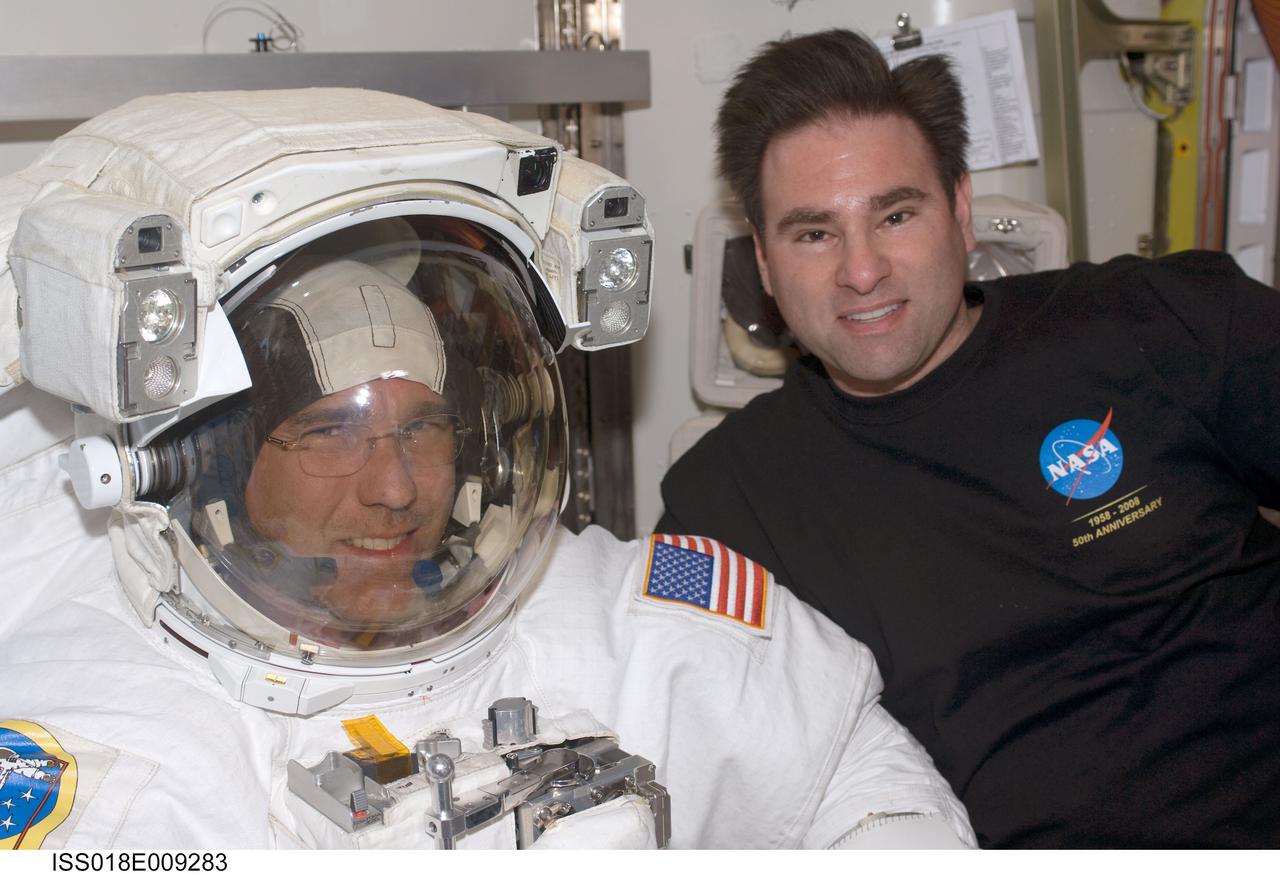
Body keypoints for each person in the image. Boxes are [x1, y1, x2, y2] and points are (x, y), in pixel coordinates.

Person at [0, 87, 973, 850]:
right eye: (330, 434)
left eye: (422, 429)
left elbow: (845, 759)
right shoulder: (109, 716)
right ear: (216, 465)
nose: (394, 489)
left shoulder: (581, 609)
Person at [658, 28, 1280, 848]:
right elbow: (672, 743)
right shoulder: (725, 504)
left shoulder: (1157, 320)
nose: (863, 270)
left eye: (896, 214)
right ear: (766, 265)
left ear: (957, 207)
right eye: (814, 233)